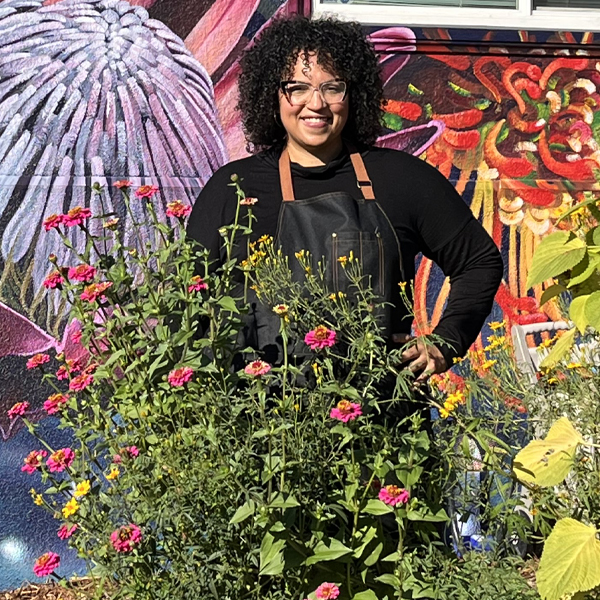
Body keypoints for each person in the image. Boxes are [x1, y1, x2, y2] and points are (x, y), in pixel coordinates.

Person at [187, 15, 503, 381]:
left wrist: (446, 342)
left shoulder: (401, 179)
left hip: (380, 417)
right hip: (264, 419)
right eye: (297, 88)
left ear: (353, 93)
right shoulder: (234, 188)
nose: (316, 104)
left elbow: (479, 262)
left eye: (332, 88)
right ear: (273, 95)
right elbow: (190, 301)